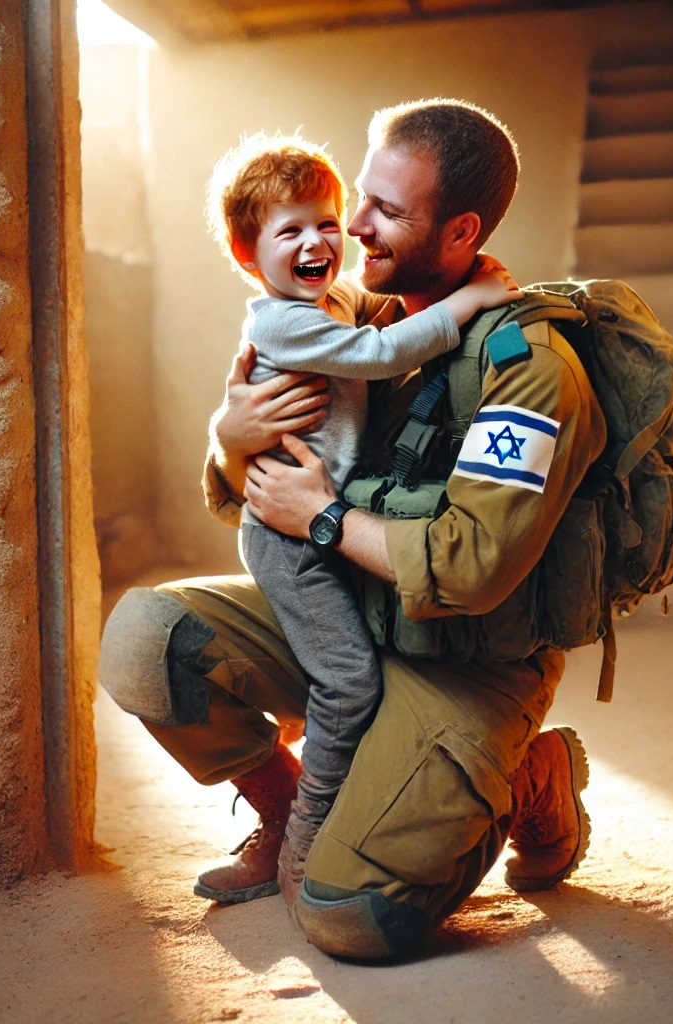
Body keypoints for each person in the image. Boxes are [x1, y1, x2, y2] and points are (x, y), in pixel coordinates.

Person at [99, 98, 608, 961]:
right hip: (353, 610)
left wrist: (326, 518)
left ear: (461, 232)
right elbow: (250, 492)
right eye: (360, 198)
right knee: (147, 640)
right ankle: (288, 812)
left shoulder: (528, 371)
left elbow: (472, 568)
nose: (356, 227)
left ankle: (530, 776)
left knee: (350, 916)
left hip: (463, 661)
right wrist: (230, 438)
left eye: (387, 211)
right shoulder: (355, 315)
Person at [203, 133, 524, 898]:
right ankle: (302, 833)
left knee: (350, 670)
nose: (323, 241)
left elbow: (377, 312)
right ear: (248, 257)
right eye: (291, 231)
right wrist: (472, 299)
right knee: (347, 683)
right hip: (290, 542)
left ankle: (497, 779)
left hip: (344, 534)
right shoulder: (283, 323)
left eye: (329, 220)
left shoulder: (331, 299)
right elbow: (381, 353)